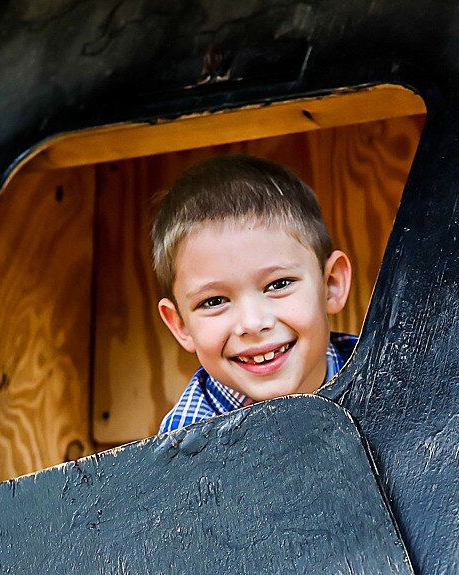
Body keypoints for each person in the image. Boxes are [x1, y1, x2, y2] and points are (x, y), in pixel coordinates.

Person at [151, 154, 355, 433]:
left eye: (279, 284)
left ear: (331, 284)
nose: (252, 323)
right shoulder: (182, 449)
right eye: (214, 301)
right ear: (181, 326)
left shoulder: (393, 373)